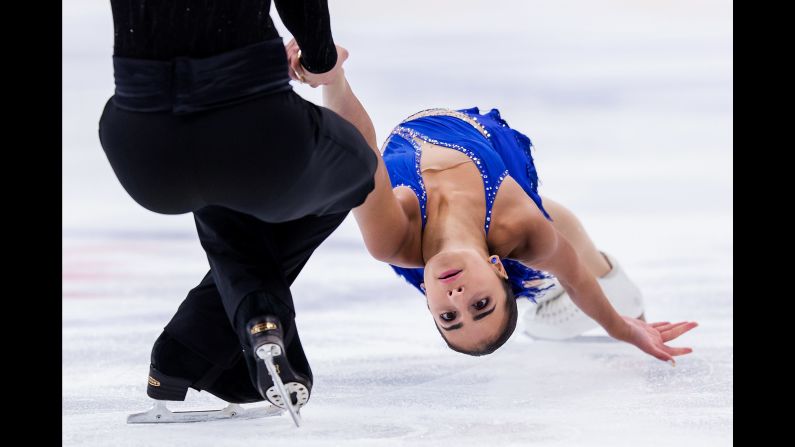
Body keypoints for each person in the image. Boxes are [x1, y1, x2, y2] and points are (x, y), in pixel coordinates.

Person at [286, 40, 698, 360]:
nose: (457, 298)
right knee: (551, 227)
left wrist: (331, 75)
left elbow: (359, 148)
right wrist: (622, 329)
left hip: (423, 156)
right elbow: (574, 276)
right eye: (480, 304)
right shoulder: (520, 227)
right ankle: (610, 277)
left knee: (547, 225)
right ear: (497, 267)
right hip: (491, 151)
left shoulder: (391, 239)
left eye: (448, 317)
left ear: (429, 303)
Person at [98, 1, 377, 416]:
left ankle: (225, 336)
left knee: (221, 188)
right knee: (357, 167)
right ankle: (201, 338)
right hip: (255, 133)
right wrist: (319, 60)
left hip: (141, 148)